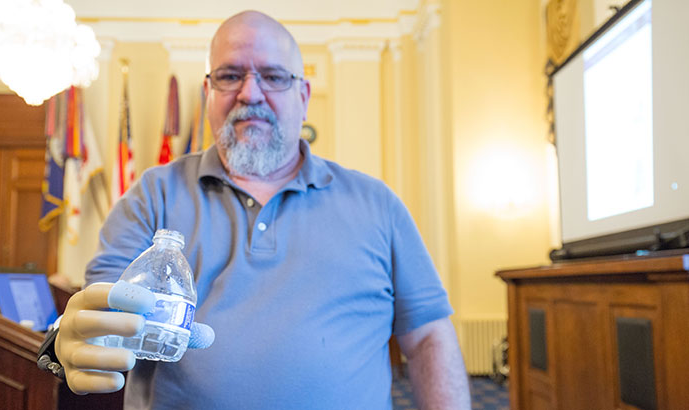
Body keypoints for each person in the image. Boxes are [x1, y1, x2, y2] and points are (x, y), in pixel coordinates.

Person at [52, 10, 471, 410]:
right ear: (208, 93)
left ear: (303, 96)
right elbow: (101, 316)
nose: (249, 93)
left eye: (272, 76)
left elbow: (430, 336)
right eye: (230, 75)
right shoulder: (152, 196)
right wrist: (72, 341)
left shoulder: (378, 205)